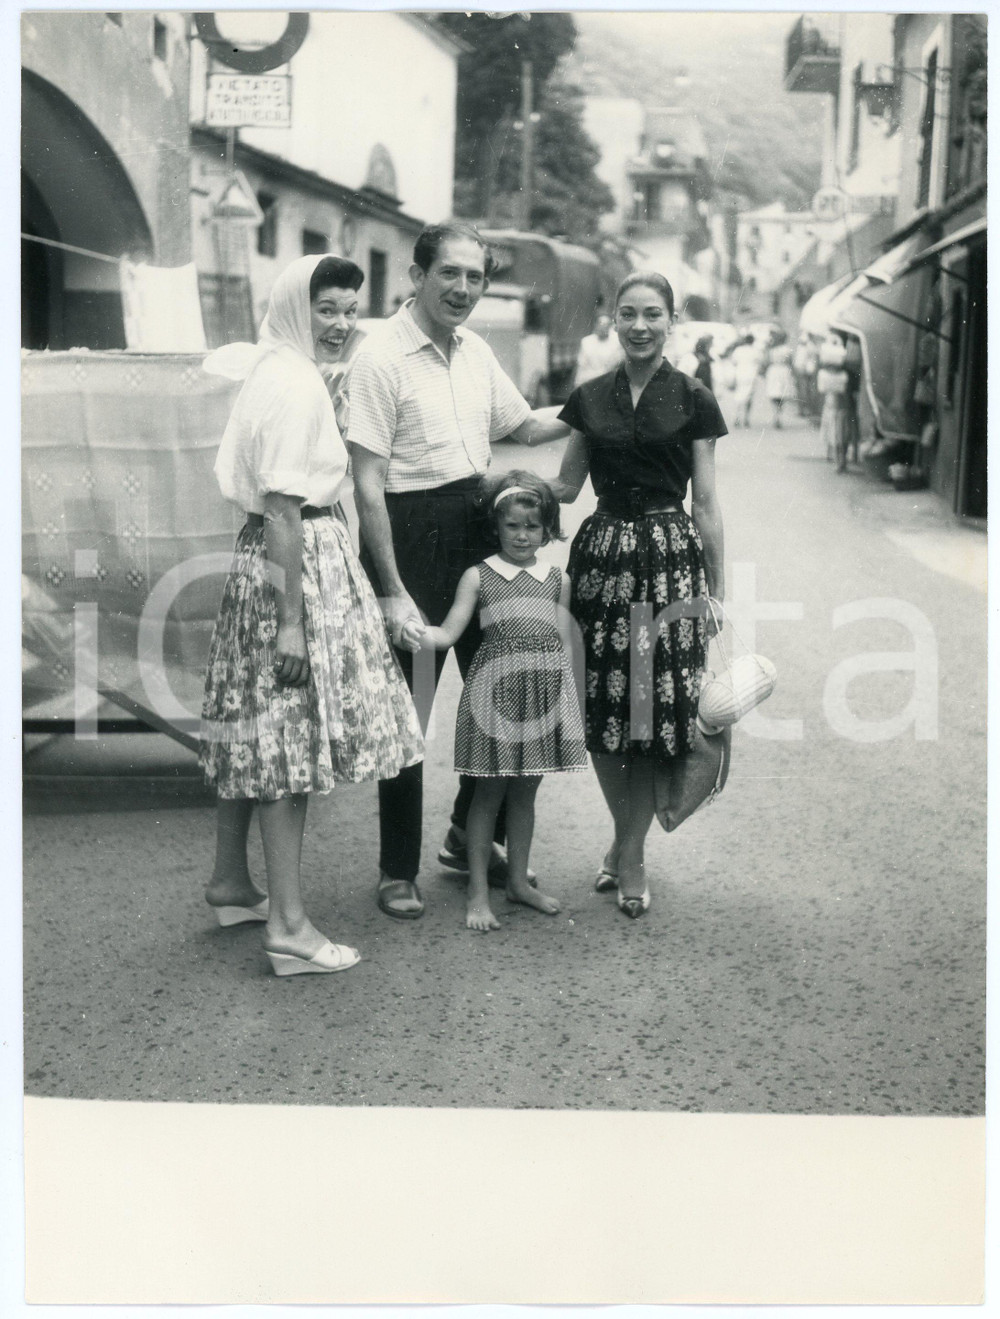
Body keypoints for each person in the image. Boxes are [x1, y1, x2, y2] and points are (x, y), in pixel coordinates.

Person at [199, 255, 424, 975]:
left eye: (351, 307)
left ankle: (232, 881)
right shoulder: (293, 385)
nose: (342, 322)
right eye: (327, 308)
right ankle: (290, 927)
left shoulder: (275, 365)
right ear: (300, 307)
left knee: (258, 730)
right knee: (289, 745)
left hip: (263, 559)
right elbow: (285, 510)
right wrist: (290, 620)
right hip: (296, 563)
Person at [348, 221, 571, 921]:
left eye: (476, 277)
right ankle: (395, 870)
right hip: (409, 534)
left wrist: (605, 402)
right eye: (450, 273)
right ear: (417, 276)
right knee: (409, 711)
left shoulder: (474, 350)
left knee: (508, 690)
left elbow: (527, 426)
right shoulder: (380, 355)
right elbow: (367, 484)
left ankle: (462, 834)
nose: (464, 289)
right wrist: (390, 588)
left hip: (477, 525)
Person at [552, 271, 727, 919]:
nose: (640, 325)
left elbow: (705, 502)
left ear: (671, 319)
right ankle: (628, 847)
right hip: (599, 560)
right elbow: (566, 487)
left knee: (657, 715)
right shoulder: (590, 397)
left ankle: (629, 853)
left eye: (653, 314)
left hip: (669, 560)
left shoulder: (694, 397)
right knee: (603, 710)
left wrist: (719, 590)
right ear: (614, 319)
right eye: (629, 313)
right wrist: (490, 493)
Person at [402, 470, 586, 931]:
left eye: (532, 526)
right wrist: (419, 633)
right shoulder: (478, 576)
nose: (522, 536)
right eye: (512, 526)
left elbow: (563, 642)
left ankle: (519, 882)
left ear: (547, 529)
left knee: (525, 794)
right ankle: (478, 891)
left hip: (541, 697)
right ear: (496, 526)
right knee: (488, 794)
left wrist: (568, 700)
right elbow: (449, 631)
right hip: (495, 697)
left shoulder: (556, 579)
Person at [817, 329, 851, 472]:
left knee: (836, 434)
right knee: (841, 434)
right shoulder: (843, 375)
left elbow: (822, 390)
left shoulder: (825, 375)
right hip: (841, 407)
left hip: (834, 407)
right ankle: (840, 459)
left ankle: (838, 459)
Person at [575, 312, 625, 385]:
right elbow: (581, 366)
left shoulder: (616, 344)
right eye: (600, 324)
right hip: (588, 380)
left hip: (607, 382)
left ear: (610, 327)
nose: (602, 327)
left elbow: (615, 366)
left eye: (606, 325)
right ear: (596, 325)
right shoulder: (586, 341)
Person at [764, 331, 795, 429]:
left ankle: (775, 415)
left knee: (774, 394)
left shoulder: (772, 350)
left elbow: (767, 361)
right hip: (783, 371)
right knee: (781, 394)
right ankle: (779, 414)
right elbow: (791, 362)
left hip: (774, 370)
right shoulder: (787, 350)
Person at [729, 333, 759, 428]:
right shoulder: (755, 351)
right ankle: (746, 418)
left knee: (739, 395)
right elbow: (760, 362)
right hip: (751, 375)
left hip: (740, 373)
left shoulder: (738, 350)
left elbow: (733, 362)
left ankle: (737, 417)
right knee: (749, 397)